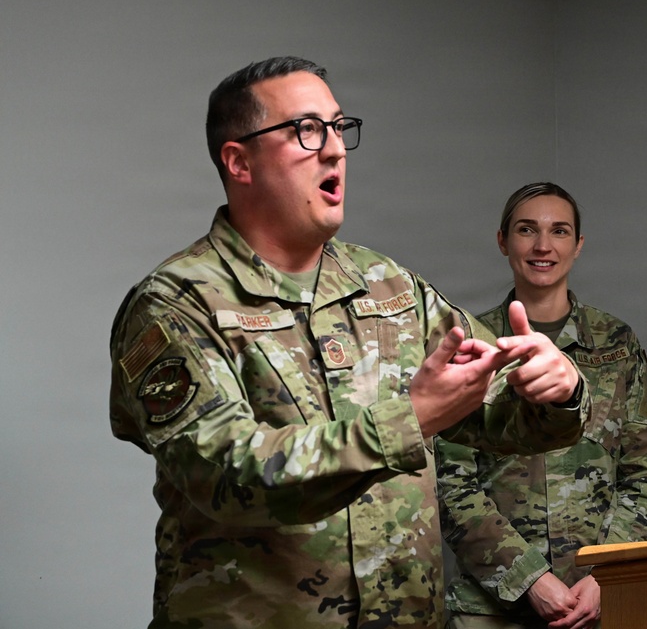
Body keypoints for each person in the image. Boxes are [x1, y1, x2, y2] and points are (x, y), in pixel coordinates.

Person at [108, 57, 592, 629]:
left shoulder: (390, 286)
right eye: (307, 130)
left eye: (339, 128)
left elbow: (504, 416)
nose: (335, 149)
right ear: (239, 162)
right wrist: (409, 420)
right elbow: (227, 476)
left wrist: (557, 390)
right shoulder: (176, 304)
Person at [435, 182, 647, 629]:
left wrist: (606, 575)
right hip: (491, 608)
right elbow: (451, 484)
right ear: (503, 241)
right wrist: (530, 580)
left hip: (599, 600)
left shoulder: (618, 344)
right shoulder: (473, 345)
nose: (543, 245)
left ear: (578, 245)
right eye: (526, 229)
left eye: (559, 231)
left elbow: (642, 474)